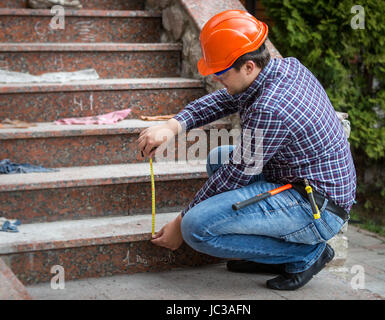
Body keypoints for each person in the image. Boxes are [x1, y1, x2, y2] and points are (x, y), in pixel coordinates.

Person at [136, 10, 356, 290]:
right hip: (296, 181)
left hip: (316, 208)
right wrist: (173, 125)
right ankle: (269, 255)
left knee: (196, 228)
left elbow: (235, 175)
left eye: (220, 72)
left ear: (249, 66)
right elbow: (223, 101)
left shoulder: (271, 107)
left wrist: (179, 224)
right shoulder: (284, 67)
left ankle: (307, 254)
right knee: (218, 158)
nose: (216, 78)